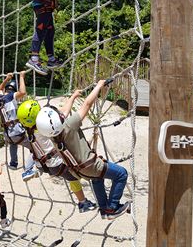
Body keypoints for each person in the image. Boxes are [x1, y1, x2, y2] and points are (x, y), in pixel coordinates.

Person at [36, 79, 130, 220]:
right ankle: (112, 207)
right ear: (57, 119)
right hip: (90, 165)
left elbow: (64, 113)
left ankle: (104, 209)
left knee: (97, 179)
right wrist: (99, 85)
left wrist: (73, 97)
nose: (61, 113)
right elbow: (87, 104)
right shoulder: (69, 125)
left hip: (78, 170)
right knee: (121, 174)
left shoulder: (51, 136)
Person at [17, 99, 98, 213]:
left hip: (46, 165)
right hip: (58, 164)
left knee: (72, 178)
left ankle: (34, 169)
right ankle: (83, 203)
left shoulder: (29, 130)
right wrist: (73, 97)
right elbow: (65, 112)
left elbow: (61, 110)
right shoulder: (45, 128)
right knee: (77, 175)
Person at [0, 71, 28, 170]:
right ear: (13, 91)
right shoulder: (11, 97)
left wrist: (7, 79)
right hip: (16, 132)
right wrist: (21, 77)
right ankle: (34, 163)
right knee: (33, 146)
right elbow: (22, 92)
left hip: (7, 134)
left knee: (13, 144)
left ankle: (13, 164)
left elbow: (0, 88)